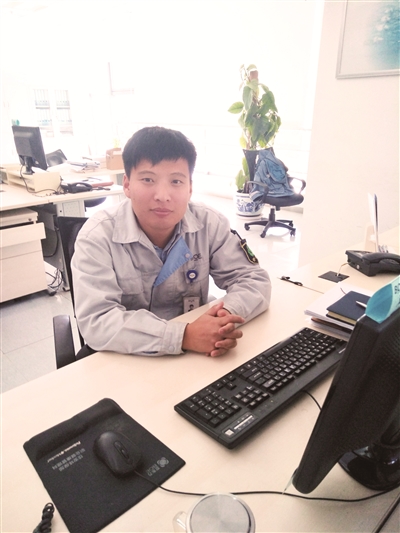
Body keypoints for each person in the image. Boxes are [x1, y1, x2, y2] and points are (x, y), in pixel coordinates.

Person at [71, 126, 271, 357]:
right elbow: (97, 320)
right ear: (127, 185)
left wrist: (222, 319)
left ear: (190, 188)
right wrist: (184, 336)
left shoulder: (209, 223)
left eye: (176, 181)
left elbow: (253, 279)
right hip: (126, 357)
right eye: (148, 179)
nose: (162, 196)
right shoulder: (97, 236)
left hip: (197, 354)